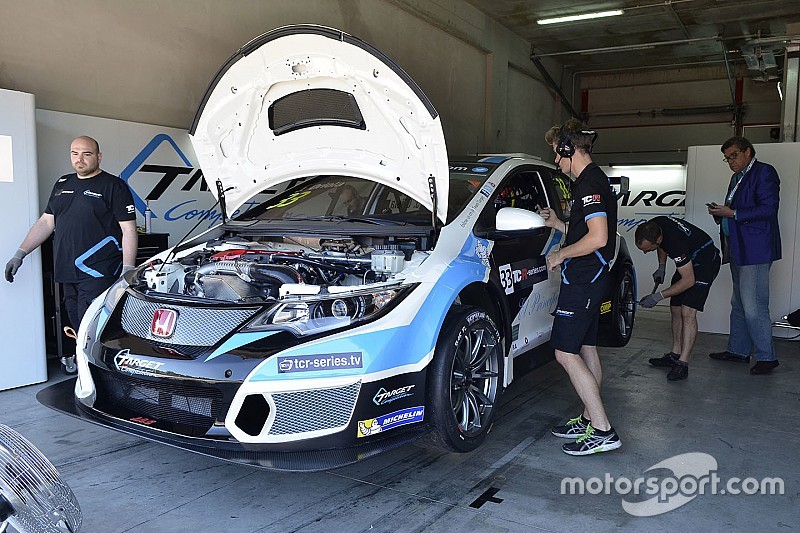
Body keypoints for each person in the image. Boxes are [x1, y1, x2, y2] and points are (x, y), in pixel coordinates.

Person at [4, 136, 137, 372]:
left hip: (99, 271)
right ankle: (88, 374)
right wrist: (20, 253)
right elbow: (46, 222)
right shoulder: (62, 184)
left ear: (99, 156)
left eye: (86, 154)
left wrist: (127, 269)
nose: (80, 159)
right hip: (67, 271)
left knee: (95, 326)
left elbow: (128, 229)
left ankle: (103, 375)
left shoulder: (113, 186)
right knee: (78, 325)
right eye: (75, 153)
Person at [537, 119, 621, 456]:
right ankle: (589, 417)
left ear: (569, 149)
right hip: (589, 277)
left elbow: (598, 238)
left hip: (584, 278)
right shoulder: (590, 181)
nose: (557, 162)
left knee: (564, 353)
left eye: (557, 155)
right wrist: (557, 223)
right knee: (586, 348)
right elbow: (586, 228)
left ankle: (603, 429)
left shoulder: (590, 185)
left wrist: (560, 253)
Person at [707, 137, 781, 375]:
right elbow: (735, 210)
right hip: (737, 248)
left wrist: (733, 212)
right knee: (738, 303)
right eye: (727, 158)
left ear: (748, 152)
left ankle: (767, 357)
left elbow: (768, 209)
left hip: (756, 250)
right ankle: (738, 351)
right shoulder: (736, 178)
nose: (731, 162)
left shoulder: (765, 172)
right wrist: (722, 214)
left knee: (754, 306)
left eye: (734, 156)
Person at [634, 216, 721, 381]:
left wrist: (657, 297)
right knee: (675, 308)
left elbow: (688, 281)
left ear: (658, 239)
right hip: (688, 259)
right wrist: (661, 267)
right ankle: (675, 354)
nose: (646, 252)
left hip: (705, 262)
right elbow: (661, 246)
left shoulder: (675, 242)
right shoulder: (655, 225)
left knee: (687, 311)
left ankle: (683, 363)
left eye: (648, 249)